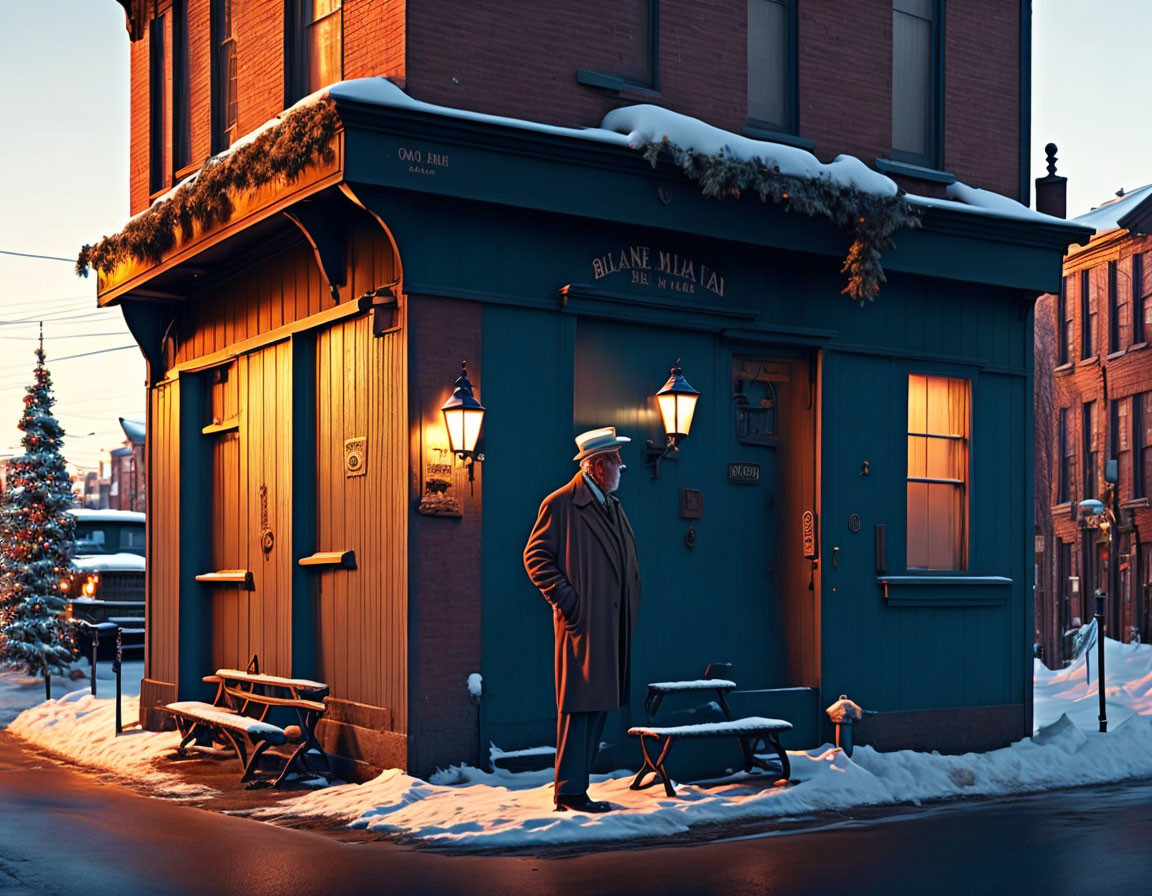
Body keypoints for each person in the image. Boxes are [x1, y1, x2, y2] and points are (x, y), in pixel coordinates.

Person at [523, 426, 642, 813]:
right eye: (616, 462)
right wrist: (569, 602)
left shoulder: (611, 505)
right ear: (597, 465)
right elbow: (535, 558)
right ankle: (570, 791)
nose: (621, 468)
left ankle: (578, 786)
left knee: (598, 705)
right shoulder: (561, 504)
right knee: (579, 706)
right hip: (583, 626)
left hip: (609, 627)